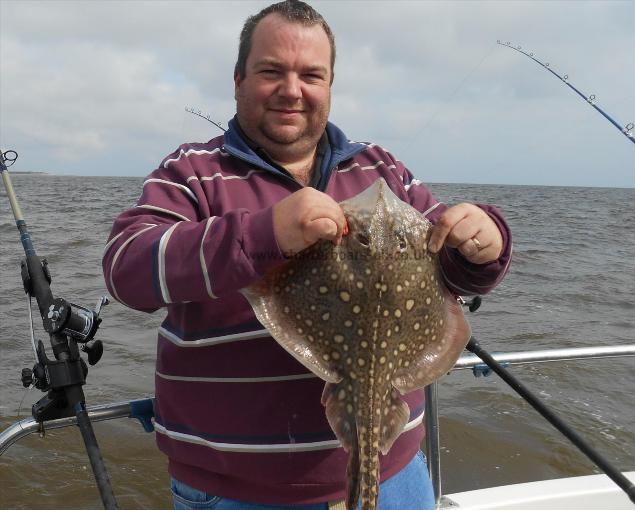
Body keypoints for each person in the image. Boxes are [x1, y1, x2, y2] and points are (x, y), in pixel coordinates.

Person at [102, 1, 512, 508]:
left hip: (398, 474)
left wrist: (484, 242)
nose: (292, 90)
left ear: (330, 85)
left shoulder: (382, 169)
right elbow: (126, 269)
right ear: (238, 79)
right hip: (237, 491)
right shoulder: (192, 171)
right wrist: (263, 233)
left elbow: (453, 266)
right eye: (271, 71)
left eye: (311, 75)